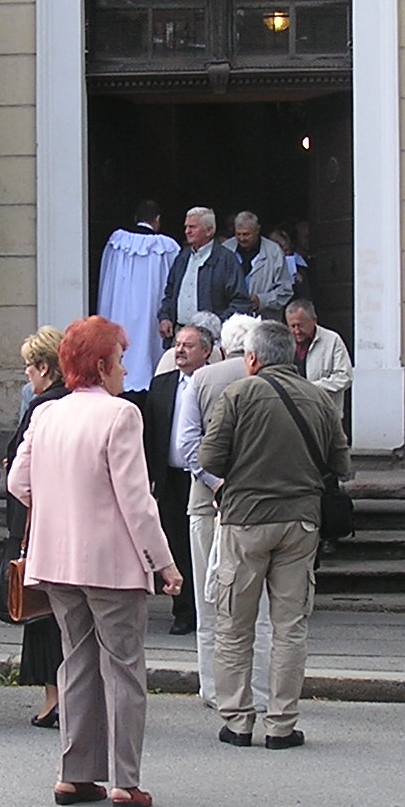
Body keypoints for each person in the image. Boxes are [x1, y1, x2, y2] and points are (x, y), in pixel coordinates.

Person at [8, 316, 182, 807]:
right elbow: (136, 502)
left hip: (57, 560)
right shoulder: (121, 415)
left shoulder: (46, 414)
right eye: (121, 361)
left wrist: (59, 506)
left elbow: (18, 484)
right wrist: (165, 564)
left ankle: (75, 774)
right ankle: (126, 781)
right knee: (124, 669)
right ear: (103, 365)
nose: (125, 371)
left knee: (77, 663)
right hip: (111, 564)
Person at [198, 319, 350, 748]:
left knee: (234, 624)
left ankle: (238, 720)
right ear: (293, 356)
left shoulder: (239, 394)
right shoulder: (318, 398)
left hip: (245, 519)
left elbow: (209, 458)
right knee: (290, 626)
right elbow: (341, 464)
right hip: (301, 522)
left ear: (252, 358)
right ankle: (282, 723)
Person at [175, 314, 274, 714]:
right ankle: (260, 690)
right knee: (259, 605)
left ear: (221, 346)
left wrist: (214, 482)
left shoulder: (202, 379)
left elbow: (187, 443)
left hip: (205, 500)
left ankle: (213, 687)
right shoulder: (270, 382)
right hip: (259, 503)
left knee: (208, 598)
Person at [0, 327, 68, 726]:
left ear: (45, 366)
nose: (26, 373)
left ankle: (55, 698)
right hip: (57, 520)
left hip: (39, 522)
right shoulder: (66, 402)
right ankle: (60, 696)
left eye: (29, 365)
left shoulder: (46, 407)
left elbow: (21, 477)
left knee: (43, 614)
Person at [145, 323, 211, 634]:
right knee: (176, 544)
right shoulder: (162, 384)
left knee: (204, 544)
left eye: (188, 345)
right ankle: (183, 610)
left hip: (204, 479)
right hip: (170, 480)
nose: (180, 350)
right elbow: (151, 434)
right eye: (177, 344)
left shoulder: (214, 382)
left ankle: (207, 606)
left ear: (207, 352)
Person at [96, 201, 181, 390]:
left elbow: (106, 278)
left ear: (136, 218)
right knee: (148, 351)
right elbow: (175, 283)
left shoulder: (117, 242)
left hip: (119, 309)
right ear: (157, 220)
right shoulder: (166, 247)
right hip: (151, 312)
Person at [158, 206, 243, 339]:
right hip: (179, 333)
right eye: (186, 227)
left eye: (192, 227)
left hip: (211, 338)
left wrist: (216, 325)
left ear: (209, 230)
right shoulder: (182, 257)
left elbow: (241, 302)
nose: (187, 231)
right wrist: (165, 317)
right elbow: (170, 293)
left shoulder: (227, 260)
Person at [284, 299, 352, 423]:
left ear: (314, 320)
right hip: (292, 417)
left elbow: (345, 377)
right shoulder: (283, 344)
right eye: (292, 326)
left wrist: (311, 388)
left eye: (300, 325)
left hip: (325, 416)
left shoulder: (333, 340)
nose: (297, 331)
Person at [226, 211, 293, 318]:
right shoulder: (226, 249)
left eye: (246, 234)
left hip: (265, 320)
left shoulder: (274, 251)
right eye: (238, 234)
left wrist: (262, 300)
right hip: (231, 318)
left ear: (257, 230)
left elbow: (285, 290)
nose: (242, 238)